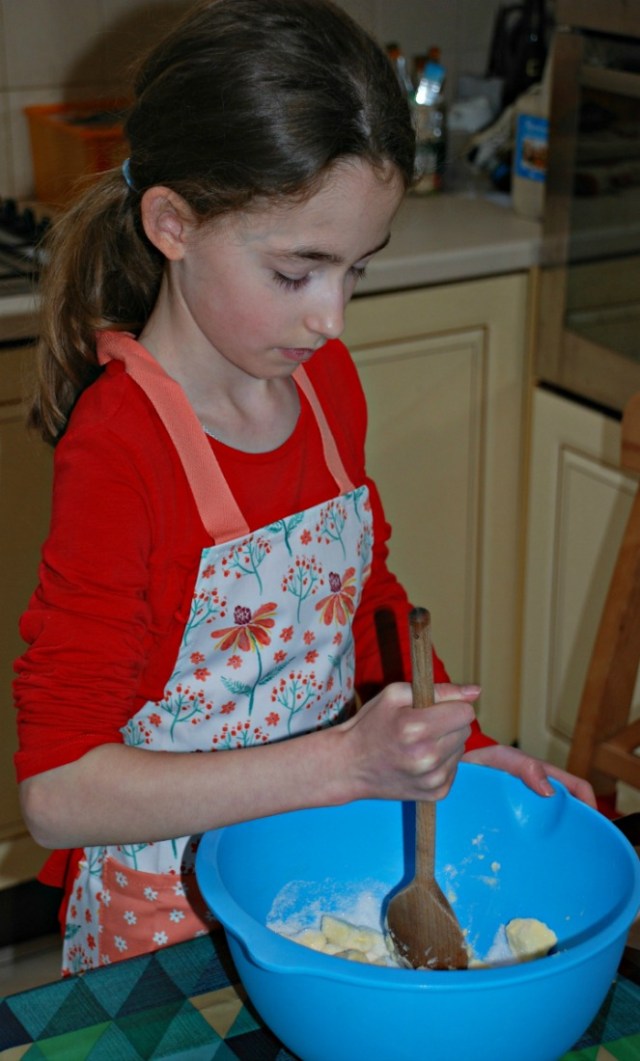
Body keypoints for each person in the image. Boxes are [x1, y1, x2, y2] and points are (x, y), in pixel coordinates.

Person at [13, 0, 595, 976]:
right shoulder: (120, 451)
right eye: (297, 270)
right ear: (173, 224)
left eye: (356, 270)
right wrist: (343, 762)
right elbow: (58, 788)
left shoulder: (320, 385)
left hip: (322, 865)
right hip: (172, 919)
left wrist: (449, 749)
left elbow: (359, 597)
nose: (331, 318)